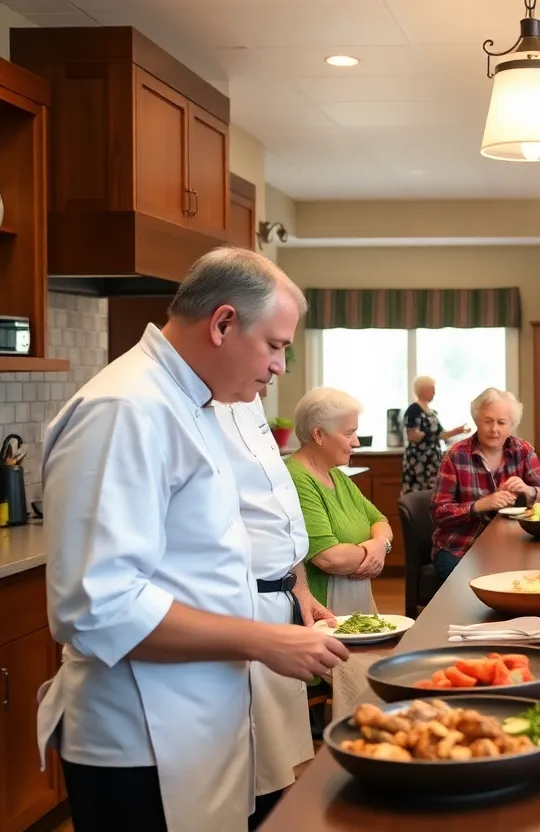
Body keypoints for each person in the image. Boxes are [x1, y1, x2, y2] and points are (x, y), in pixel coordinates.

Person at [37, 247, 349, 832]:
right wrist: (264, 639)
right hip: (144, 733)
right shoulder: (125, 408)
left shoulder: (191, 401)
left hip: (195, 717)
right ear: (223, 323)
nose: (281, 366)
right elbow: (99, 607)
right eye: (275, 345)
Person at [214, 388, 335, 829]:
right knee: (253, 768)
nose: (279, 368)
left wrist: (299, 587)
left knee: (281, 761)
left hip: (279, 598)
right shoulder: (193, 409)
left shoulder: (251, 403)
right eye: (272, 353)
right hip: (242, 609)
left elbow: (279, 516)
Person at [431, 388, 540, 583]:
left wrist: (528, 490)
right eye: (488, 421)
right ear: (477, 421)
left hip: (512, 547)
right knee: (479, 589)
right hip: (461, 547)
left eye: (501, 422)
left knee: (534, 584)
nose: (494, 429)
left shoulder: (523, 451)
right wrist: (481, 505)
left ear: (511, 425)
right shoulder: (455, 455)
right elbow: (439, 513)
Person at [286, 387, 393, 615]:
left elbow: (380, 521)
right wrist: (374, 551)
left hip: (352, 609)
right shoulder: (296, 478)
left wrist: (380, 544)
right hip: (323, 613)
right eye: (348, 433)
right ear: (318, 434)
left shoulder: (336, 475)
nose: (356, 442)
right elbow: (329, 558)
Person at [401, 375, 467, 494]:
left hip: (432, 460)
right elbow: (412, 435)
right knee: (417, 492)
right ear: (423, 390)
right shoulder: (413, 410)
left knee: (432, 492)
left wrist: (458, 431)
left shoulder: (432, 412)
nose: (434, 392)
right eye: (432, 389)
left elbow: (442, 435)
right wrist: (432, 436)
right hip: (419, 460)